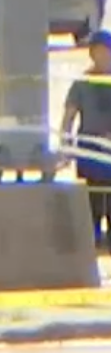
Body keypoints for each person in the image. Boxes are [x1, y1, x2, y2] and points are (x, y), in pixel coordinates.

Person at [60, 29, 111, 252]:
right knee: (92, 209)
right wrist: (66, 147)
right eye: (96, 51)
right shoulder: (82, 83)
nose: (101, 56)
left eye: (105, 52)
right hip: (89, 154)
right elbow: (68, 117)